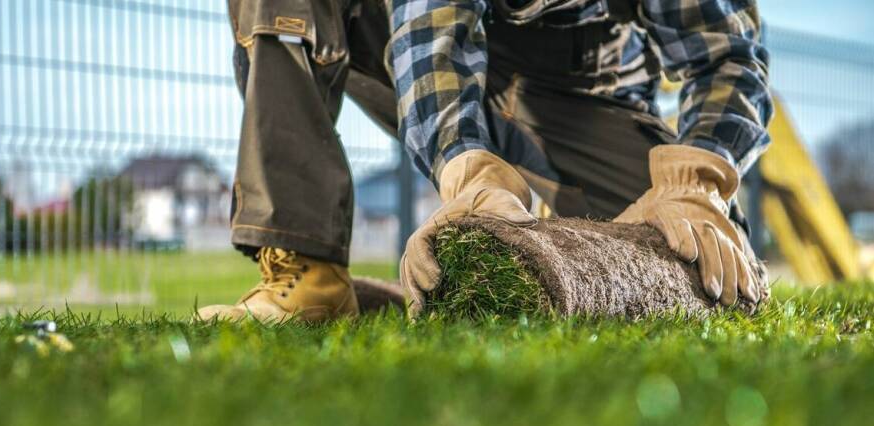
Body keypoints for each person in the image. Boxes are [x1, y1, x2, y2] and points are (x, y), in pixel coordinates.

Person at [197, 0, 772, 322]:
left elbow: (727, 57)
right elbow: (433, 43)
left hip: (582, 91)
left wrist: (694, 181)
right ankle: (310, 279)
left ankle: (512, 283)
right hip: (438, 65)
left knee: (703, 267)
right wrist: (469, 174)